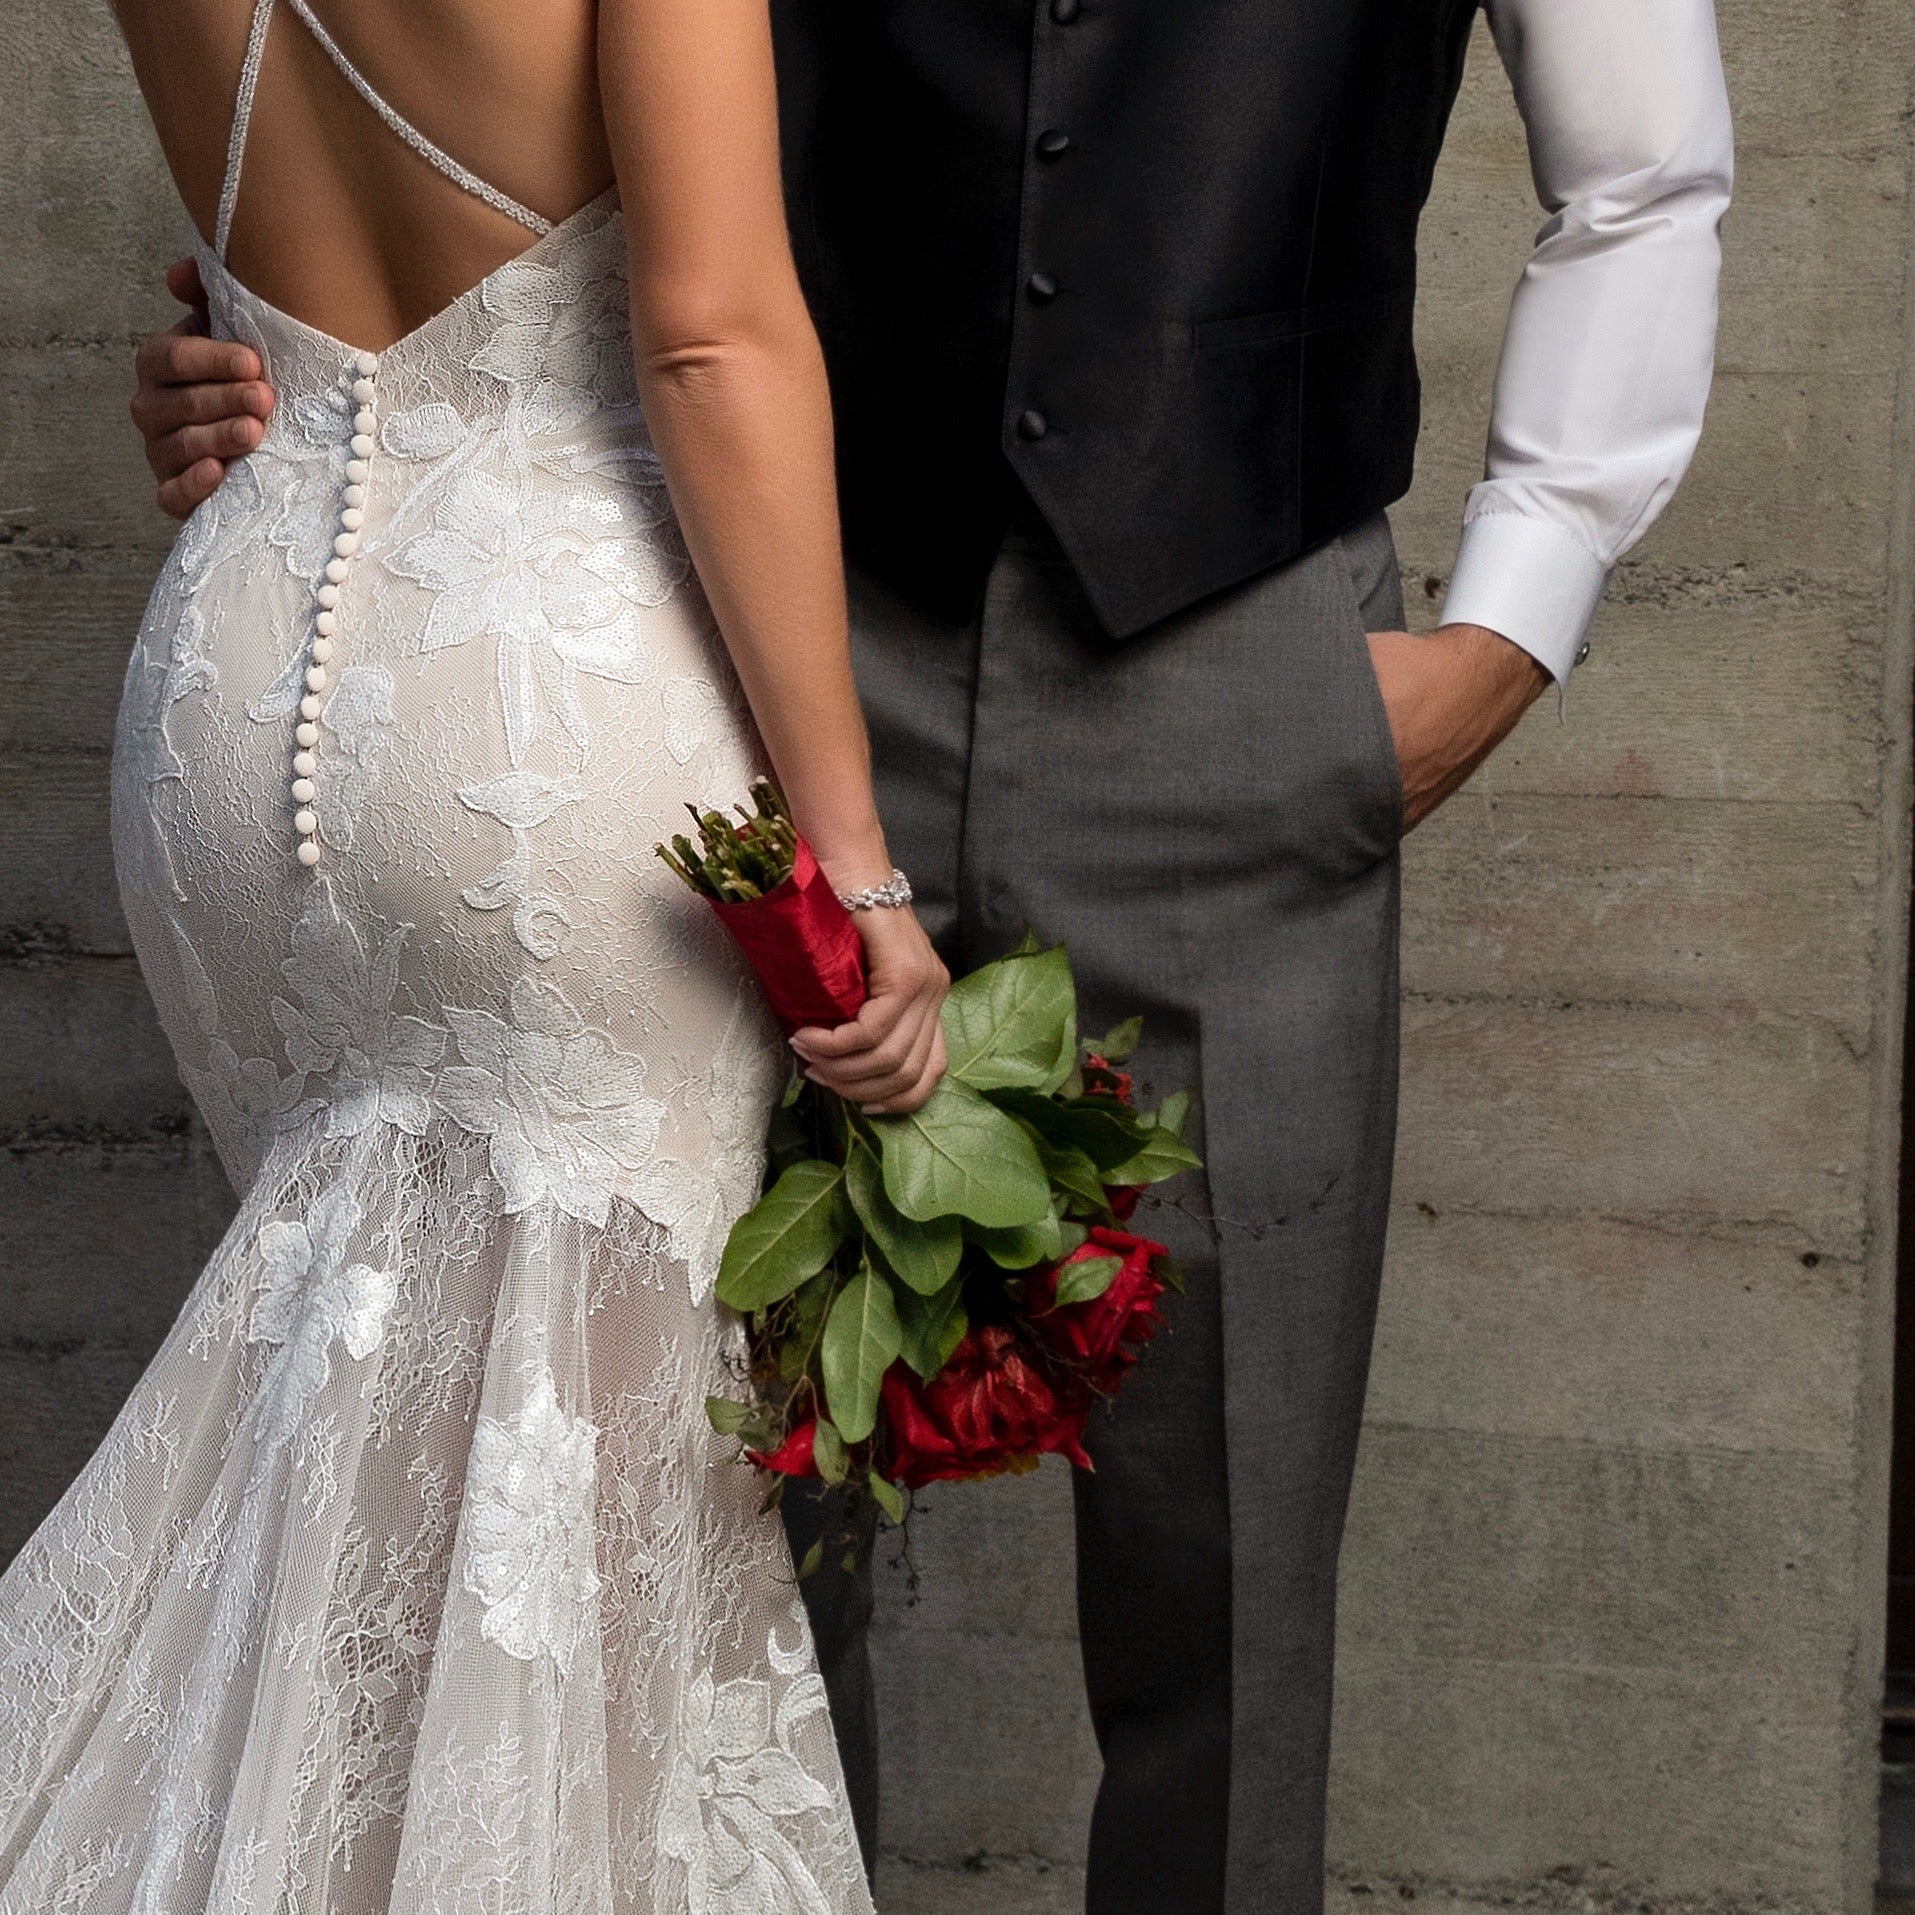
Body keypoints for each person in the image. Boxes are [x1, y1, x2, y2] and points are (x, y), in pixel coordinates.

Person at [127, 0, 1735, 1909]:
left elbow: (1646, 170)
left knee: (1223, 1563)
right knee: (715, 1534)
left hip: (1227, 648)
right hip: (752, 646)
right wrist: (305, 379)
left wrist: (1510, 625)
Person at [0, 0, 952, 1908]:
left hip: (232, 701)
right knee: (560, 1589)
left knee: (374, 1534)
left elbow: (263, 283)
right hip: (540, 726)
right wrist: (853, 875)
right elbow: (708, 333)